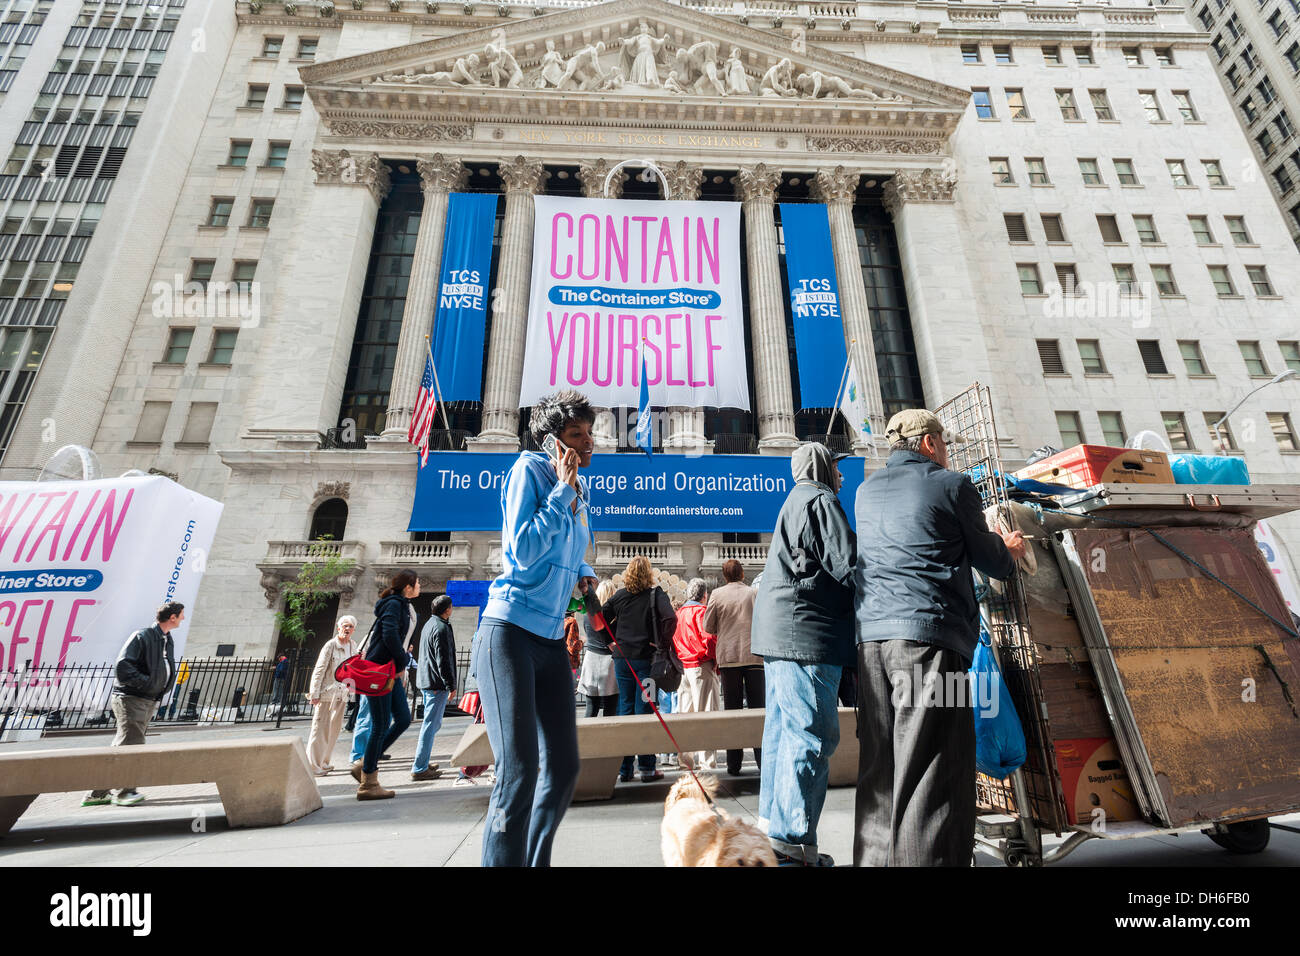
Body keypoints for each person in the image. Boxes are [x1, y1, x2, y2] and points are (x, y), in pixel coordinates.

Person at [854, 409, 1026, 867]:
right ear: (930, 443)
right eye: (944, 442)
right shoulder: (953, 485)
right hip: (931, 646)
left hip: (872, 647)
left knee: (881, 772)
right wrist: (1008, 551)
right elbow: (989, 559)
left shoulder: (864, 493)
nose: (947, 450)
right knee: (934, 770)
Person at [474, 389, 597, 867]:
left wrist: (583, 573)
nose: (588, 444)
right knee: (518, 773)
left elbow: (566, 550)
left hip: (549, 640)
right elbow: (521, 551)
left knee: (564, 769)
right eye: (576, 435)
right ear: (552, 442)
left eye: (589, 434)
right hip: (508, 633)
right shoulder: (531, 471)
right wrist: (562, 492)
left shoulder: (577, 491)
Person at [752, 443, 856, 866]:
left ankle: (774, 834)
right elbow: (849, 565)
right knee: (812, 736)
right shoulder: (820, 499)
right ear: (821, 467)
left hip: (780, 636)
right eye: (836, 465)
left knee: (781, 733)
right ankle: (794, 843)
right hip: (806, 635)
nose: (841, 474)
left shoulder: (793, 501)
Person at [83, 603, 182, 807]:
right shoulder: (143, 636)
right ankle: (125, 791)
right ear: (172, 617)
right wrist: (146, 684)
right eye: (181, 615)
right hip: (132, 698)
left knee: (124, 743)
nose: (183, 619)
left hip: (148, 699)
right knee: (133, 744)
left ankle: (98, 792)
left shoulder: (166, 639)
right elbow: (123, 666)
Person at [601, 555, 676, 783]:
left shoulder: (620, 596)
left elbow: (600, 617)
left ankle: (625, 769)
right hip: (646, 662)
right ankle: (647, 767)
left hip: (622, 660)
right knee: (645, 710)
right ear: (649, 573)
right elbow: (671, 618)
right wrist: (660, 643)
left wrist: (610, 641)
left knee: (625, 710)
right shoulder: (656, 594)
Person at [353, 570, 418, 799]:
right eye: (417, 583)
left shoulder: (401, 604)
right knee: (380, 725)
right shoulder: (392, 604)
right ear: (408, 586)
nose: (419, 586)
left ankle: (364, 764)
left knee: (402, 719)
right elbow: (389, 635)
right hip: (379, 670)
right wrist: (402, 660)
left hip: (390, 670)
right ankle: (368, 784)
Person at [704, 559, 764, 776]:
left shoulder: (717, 595)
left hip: (729, 658)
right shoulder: (754, 593)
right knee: (758, 710)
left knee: (732, 711)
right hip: (754, 655)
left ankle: (733, 764)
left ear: (724, 576)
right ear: (742, 574)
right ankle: (762, 761)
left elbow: (707, 627)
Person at [672, 577, 719, 771]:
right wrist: (714, 660)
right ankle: (707, 762)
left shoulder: (679, 614)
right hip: (701, 666)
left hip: (683, 668)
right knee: (707, 715)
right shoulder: (702, 612)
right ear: (704, 595)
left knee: (686, 716)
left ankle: (685, 761)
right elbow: (710, 640)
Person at [412, 594, 456, 781]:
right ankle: (420, 767)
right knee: (430, 725)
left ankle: (423, 761)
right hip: (436, 684)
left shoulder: (430, 624)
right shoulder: (440, 628)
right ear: (447, 610)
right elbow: (442, 659)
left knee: (433, 724)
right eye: (451, 607)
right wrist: (450, 684)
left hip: (428, 681)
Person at [305, 615, 356, 775]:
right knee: (319, 729)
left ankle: (324, 761)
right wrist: (314, 693)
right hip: (327, 694)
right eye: (344, 626)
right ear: (338, 627)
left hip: (342, 694)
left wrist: (353, 690)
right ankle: (312, 765)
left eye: (350, 626)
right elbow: (319, 669)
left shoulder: (353, 645)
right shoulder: (330, 645)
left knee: (334, 730)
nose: (347, 629)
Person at [576, 579, 618, 717]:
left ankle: (588, 737)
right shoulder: (612, 615)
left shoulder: (589, 615)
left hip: (591, 659)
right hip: (609, 661)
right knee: (610, 706)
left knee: (591, 706)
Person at [563, 612, 582, 681]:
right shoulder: (571, 621)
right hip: (569, 663)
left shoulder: (556, 619)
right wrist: (582, 642)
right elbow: (573, 647)